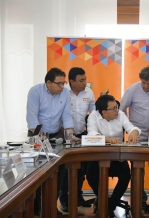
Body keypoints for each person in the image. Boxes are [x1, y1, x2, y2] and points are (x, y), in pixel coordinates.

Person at [26, 67, 74, 216]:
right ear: (48, 82)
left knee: (59, 171)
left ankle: (51, 205)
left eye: (63, 83)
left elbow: (67, 115)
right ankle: (37, 206)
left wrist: (70, 134)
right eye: (58, 83)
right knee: (39, 173)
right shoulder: (36, 91)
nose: (62, 87)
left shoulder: (65, 93)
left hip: (55, 135)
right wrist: (38, 135)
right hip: (37, 135)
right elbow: (32, 116)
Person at [86, 94, 141, 217]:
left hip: (117, 157)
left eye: (117, 107)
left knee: (126, 176)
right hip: (98, 157)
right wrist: (106, 139)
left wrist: (134, 132)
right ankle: (103, 201)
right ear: (104, 112)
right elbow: (92, 134)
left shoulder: (120, 115)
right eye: (114, 108)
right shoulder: (93, 116)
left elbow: (131, 128)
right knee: (91, 176)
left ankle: (109, 206)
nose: (117, 110)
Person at [120, 65, 149, 203]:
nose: (145, 86)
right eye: (143, 83)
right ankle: (139, 198)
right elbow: (121, 111)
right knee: (138, 167)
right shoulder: (132, 90)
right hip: (137, 134)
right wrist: (129, 130)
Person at [59, 67, 95, 212]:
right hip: (65, 135)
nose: (85, 82)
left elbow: (93, 113)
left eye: (85, 79)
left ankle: (78, 196)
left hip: (82, 135)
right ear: (72, 81)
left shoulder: (89, 92)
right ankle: (65, 199)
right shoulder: (63, 92)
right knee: (66, 169)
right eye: (81, 80)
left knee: (82, 168)